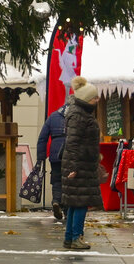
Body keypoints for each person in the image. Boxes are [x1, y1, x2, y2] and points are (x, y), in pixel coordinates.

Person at [59, 77, 101, 251]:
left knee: (75, 203)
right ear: (86, 100)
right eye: (94, 98)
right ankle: (76, 238)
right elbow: (73, 143)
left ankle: (70, 238)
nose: (97, 101)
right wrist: (74, 167)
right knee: (81, 203)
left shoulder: (78, 113)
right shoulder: (79, 116)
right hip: (80, 166)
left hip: (82, 164)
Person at [34, 101, 68, 223]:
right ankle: (67, 210)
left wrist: (41, 157)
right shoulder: (76, 116)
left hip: (55, 152)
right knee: (69, 181)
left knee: (56, 179)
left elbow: (42, 138)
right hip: (71, 153)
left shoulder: (53, 116)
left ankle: (56, 201)